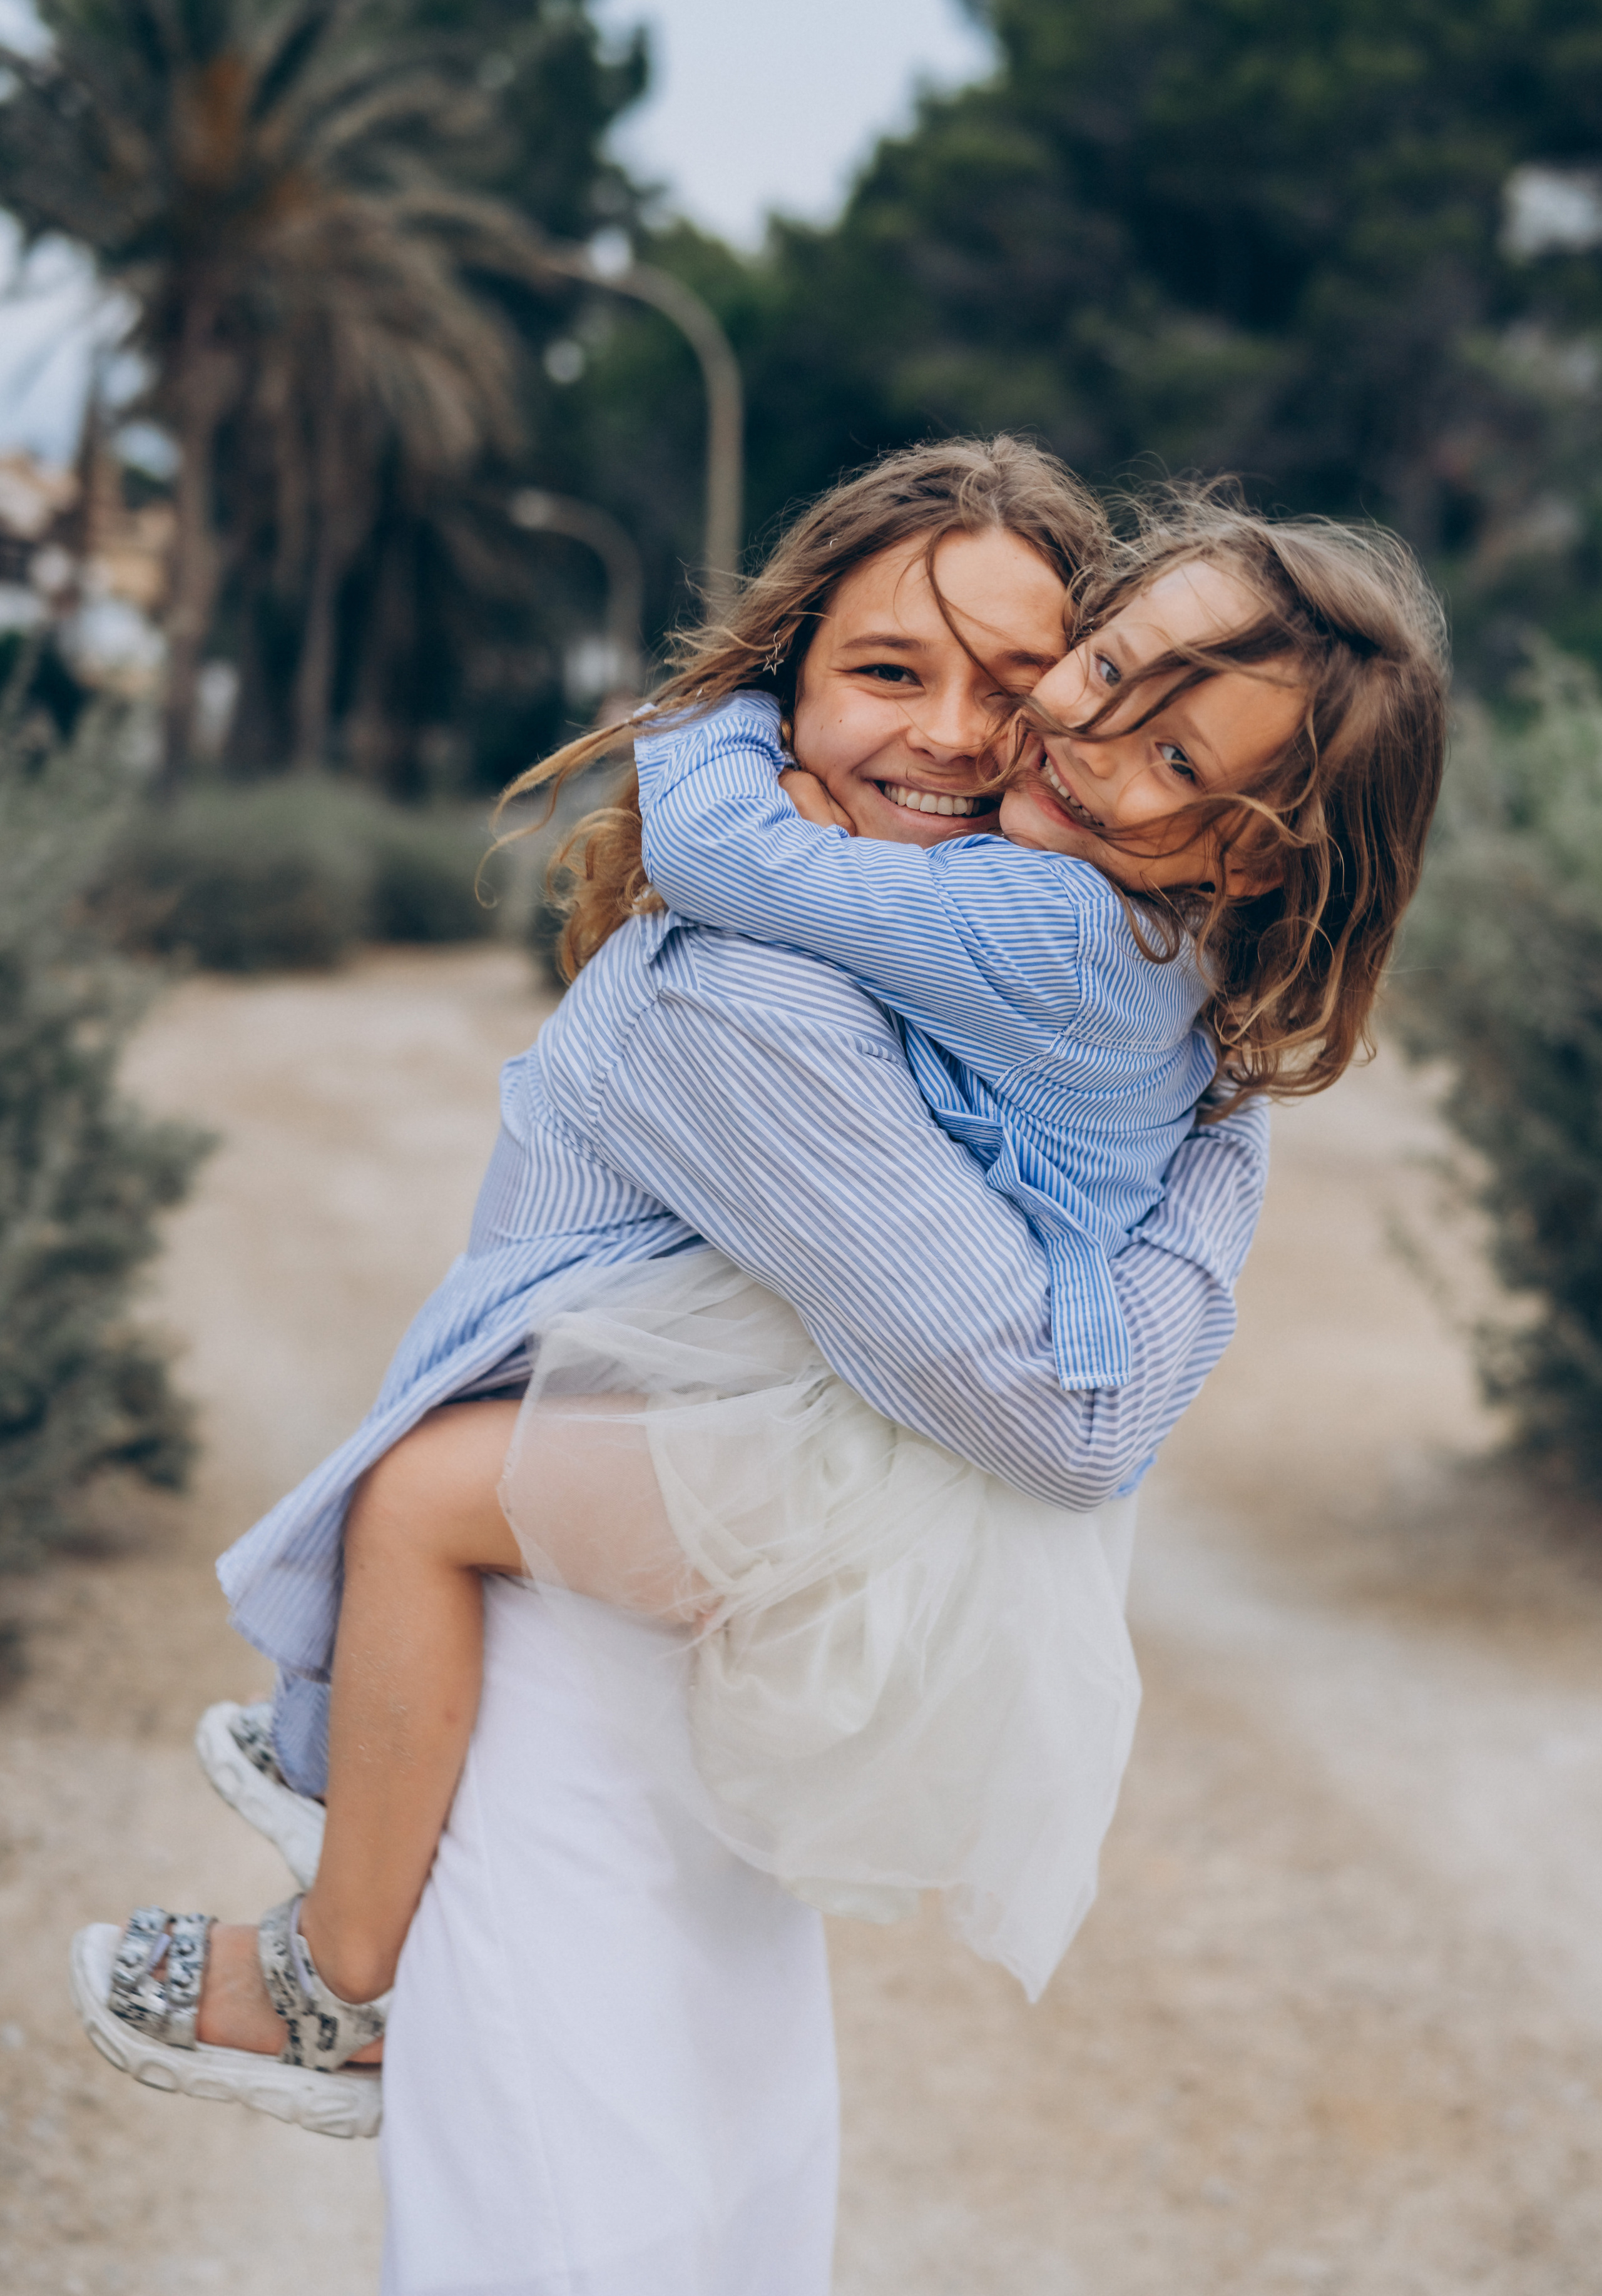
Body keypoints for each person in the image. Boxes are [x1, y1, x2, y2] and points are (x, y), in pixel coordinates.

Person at [68, 441, 1435, 2287]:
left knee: (419, 1502)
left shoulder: (786, 980)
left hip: (747, 1572)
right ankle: (337, 1796)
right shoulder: (1075, 957)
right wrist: (1218, 1146)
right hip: (726, 1621)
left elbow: (1071, 1414)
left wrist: (700, 729)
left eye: (1023, 683)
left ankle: (332, 1959)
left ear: (1252, 839)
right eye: (895, 672)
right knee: (672, 2194)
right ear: (799, 667)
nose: (1010, 741)